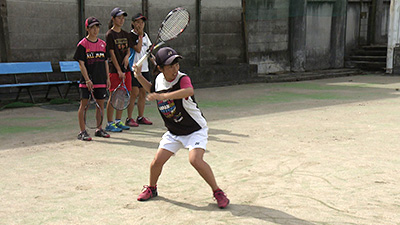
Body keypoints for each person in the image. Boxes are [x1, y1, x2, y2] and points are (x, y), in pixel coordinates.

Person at [132, 47, 230, 209]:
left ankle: (218, 192)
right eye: (170, 66)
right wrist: (138, 75)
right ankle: (152, 188)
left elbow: (188, 90)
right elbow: (152, 89)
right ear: (160, 68)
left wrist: (163, 96)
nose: (175, 69)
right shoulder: (158, 79)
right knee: (156, 162)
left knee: (195, 160)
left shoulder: (182, 79)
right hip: (174, 131)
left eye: (176, 64)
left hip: (195, 129)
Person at [74, 17, 111, 141]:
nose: (95, 30)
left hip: (101, 80)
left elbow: (106, 62)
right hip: (87, 81)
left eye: (97, 27)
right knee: (84, 105)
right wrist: (87, 80)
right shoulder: (82, 45)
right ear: (87, 28)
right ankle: (82, 131)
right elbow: (81, 64)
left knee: (100, 105)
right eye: (92, 27)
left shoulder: (103, 44)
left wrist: (108, 78)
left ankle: (99, 129)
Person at [105, 7, 132, 132]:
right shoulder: (110, 34)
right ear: (113, 19)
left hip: (126, 69)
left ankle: (118, 121)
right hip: (115, 70)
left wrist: (127, 57)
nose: (121, 20)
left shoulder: (125, 34)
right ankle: (110, 123)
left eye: (123, 18)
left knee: (122, 95)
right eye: (119, 18)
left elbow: (128, 49)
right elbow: (112, 53)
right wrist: (118, 70)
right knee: (113, 95)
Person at [126, 13, 153, 127]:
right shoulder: (130, 36)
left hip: (145, 69)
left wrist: (155, 62)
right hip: (134, 68)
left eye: (142, 23)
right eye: (137, 22)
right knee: (134, 93)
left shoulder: (146, 36)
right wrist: (140, 36)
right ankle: (129, 118)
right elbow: (137, 49)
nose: (140, 25)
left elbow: (149, 52)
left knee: (143, 93)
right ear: (133, 23)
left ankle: (140, 117)